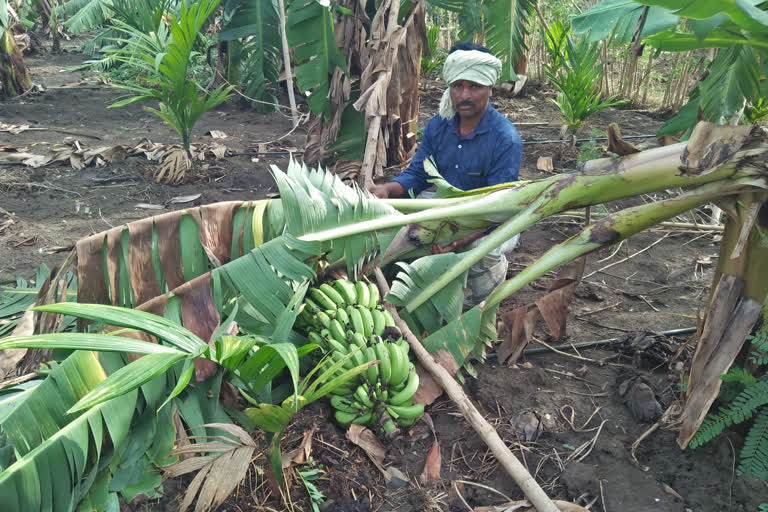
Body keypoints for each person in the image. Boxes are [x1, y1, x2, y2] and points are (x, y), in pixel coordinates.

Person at [373, 42, 523, 306]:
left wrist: (458, 239)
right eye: (457, 85)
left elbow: (498, 209)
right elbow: (419, 173)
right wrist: (389, 189)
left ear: (489, 88)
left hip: (487, 222)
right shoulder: (438, 126)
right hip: (442, 208)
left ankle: (482, 295)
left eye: (474, 86)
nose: (464, 95)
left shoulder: (505, 139)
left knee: (478, 254)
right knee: (392, 230)